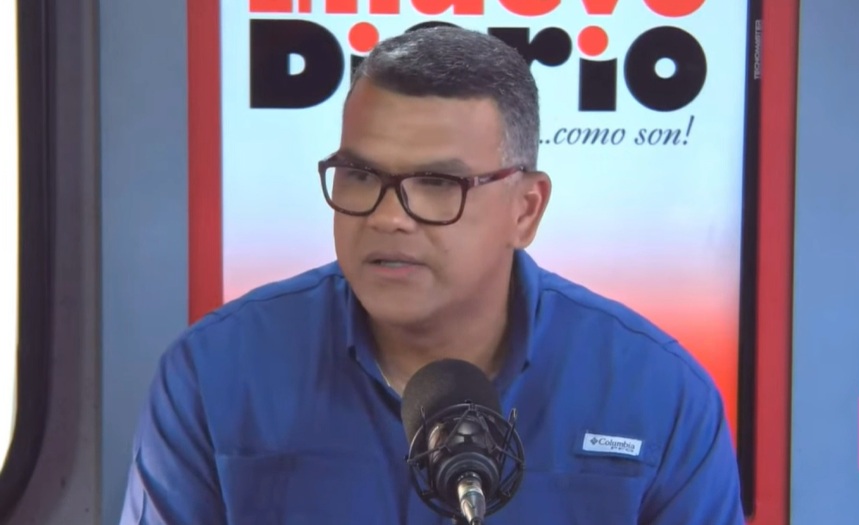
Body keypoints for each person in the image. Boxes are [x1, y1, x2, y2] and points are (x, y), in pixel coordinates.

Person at [119, 26, 744, 524]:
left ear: (526, 210)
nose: (388, 217)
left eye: (438, 183)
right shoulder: (214, 374)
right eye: (360, 175)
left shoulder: (658, 395)